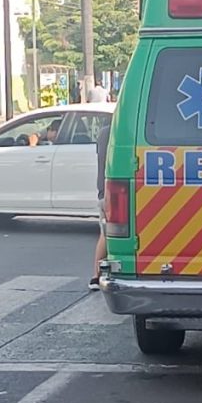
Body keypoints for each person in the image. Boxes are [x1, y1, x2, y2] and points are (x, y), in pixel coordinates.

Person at [89, 120, 111, 290]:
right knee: (106, 233)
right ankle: (96, 276)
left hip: (104, 189)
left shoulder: (104, 132)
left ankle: (97, 275)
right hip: (113, 190)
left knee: (105, 231)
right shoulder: (120, 132)